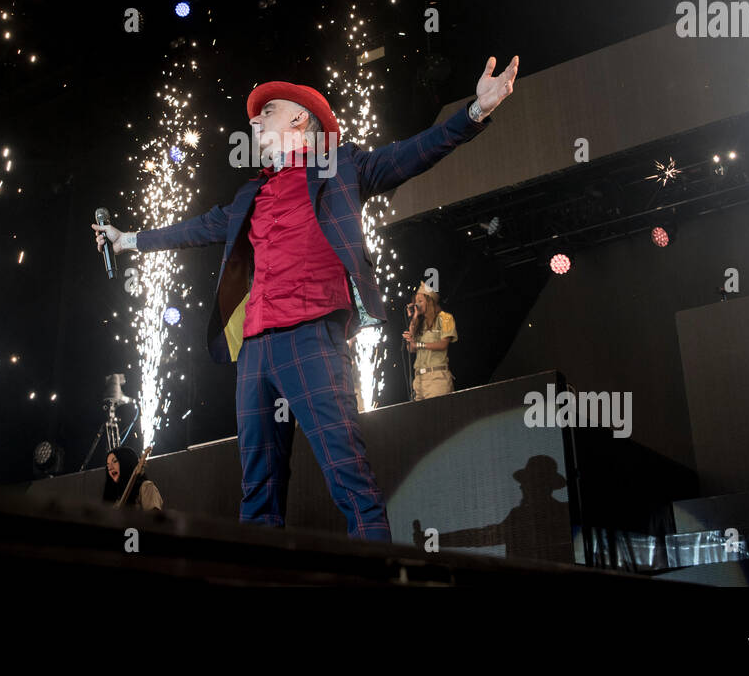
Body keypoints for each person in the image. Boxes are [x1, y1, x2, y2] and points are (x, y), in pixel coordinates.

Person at [93, 55, 519, 541]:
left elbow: (408, 154)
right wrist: (127, 240)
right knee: (257, 491)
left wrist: (473, 113)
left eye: (266, 111)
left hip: (313, 334)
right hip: (254, 351)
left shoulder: (340, 165)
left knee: (348, 474)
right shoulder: (248, 196)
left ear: (300, 118)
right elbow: (193, 229)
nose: (252, 120)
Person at [402, 283, 457, 400]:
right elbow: (411, 348)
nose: (417, 304)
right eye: (416, 301)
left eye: (420, 301)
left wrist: (419, 344)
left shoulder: (445, 318)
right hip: (419, 380)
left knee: (438, 414)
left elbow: (443, 344)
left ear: (430, 301)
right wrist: (414, 317)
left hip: (437, 378)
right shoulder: (419, 324)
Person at [102, 446, 163, 510]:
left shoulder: (146, 487)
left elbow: (154, 518)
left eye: (114, 461)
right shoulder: (115, 495)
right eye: (108, 464)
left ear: (126, 463)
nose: (110, 468)